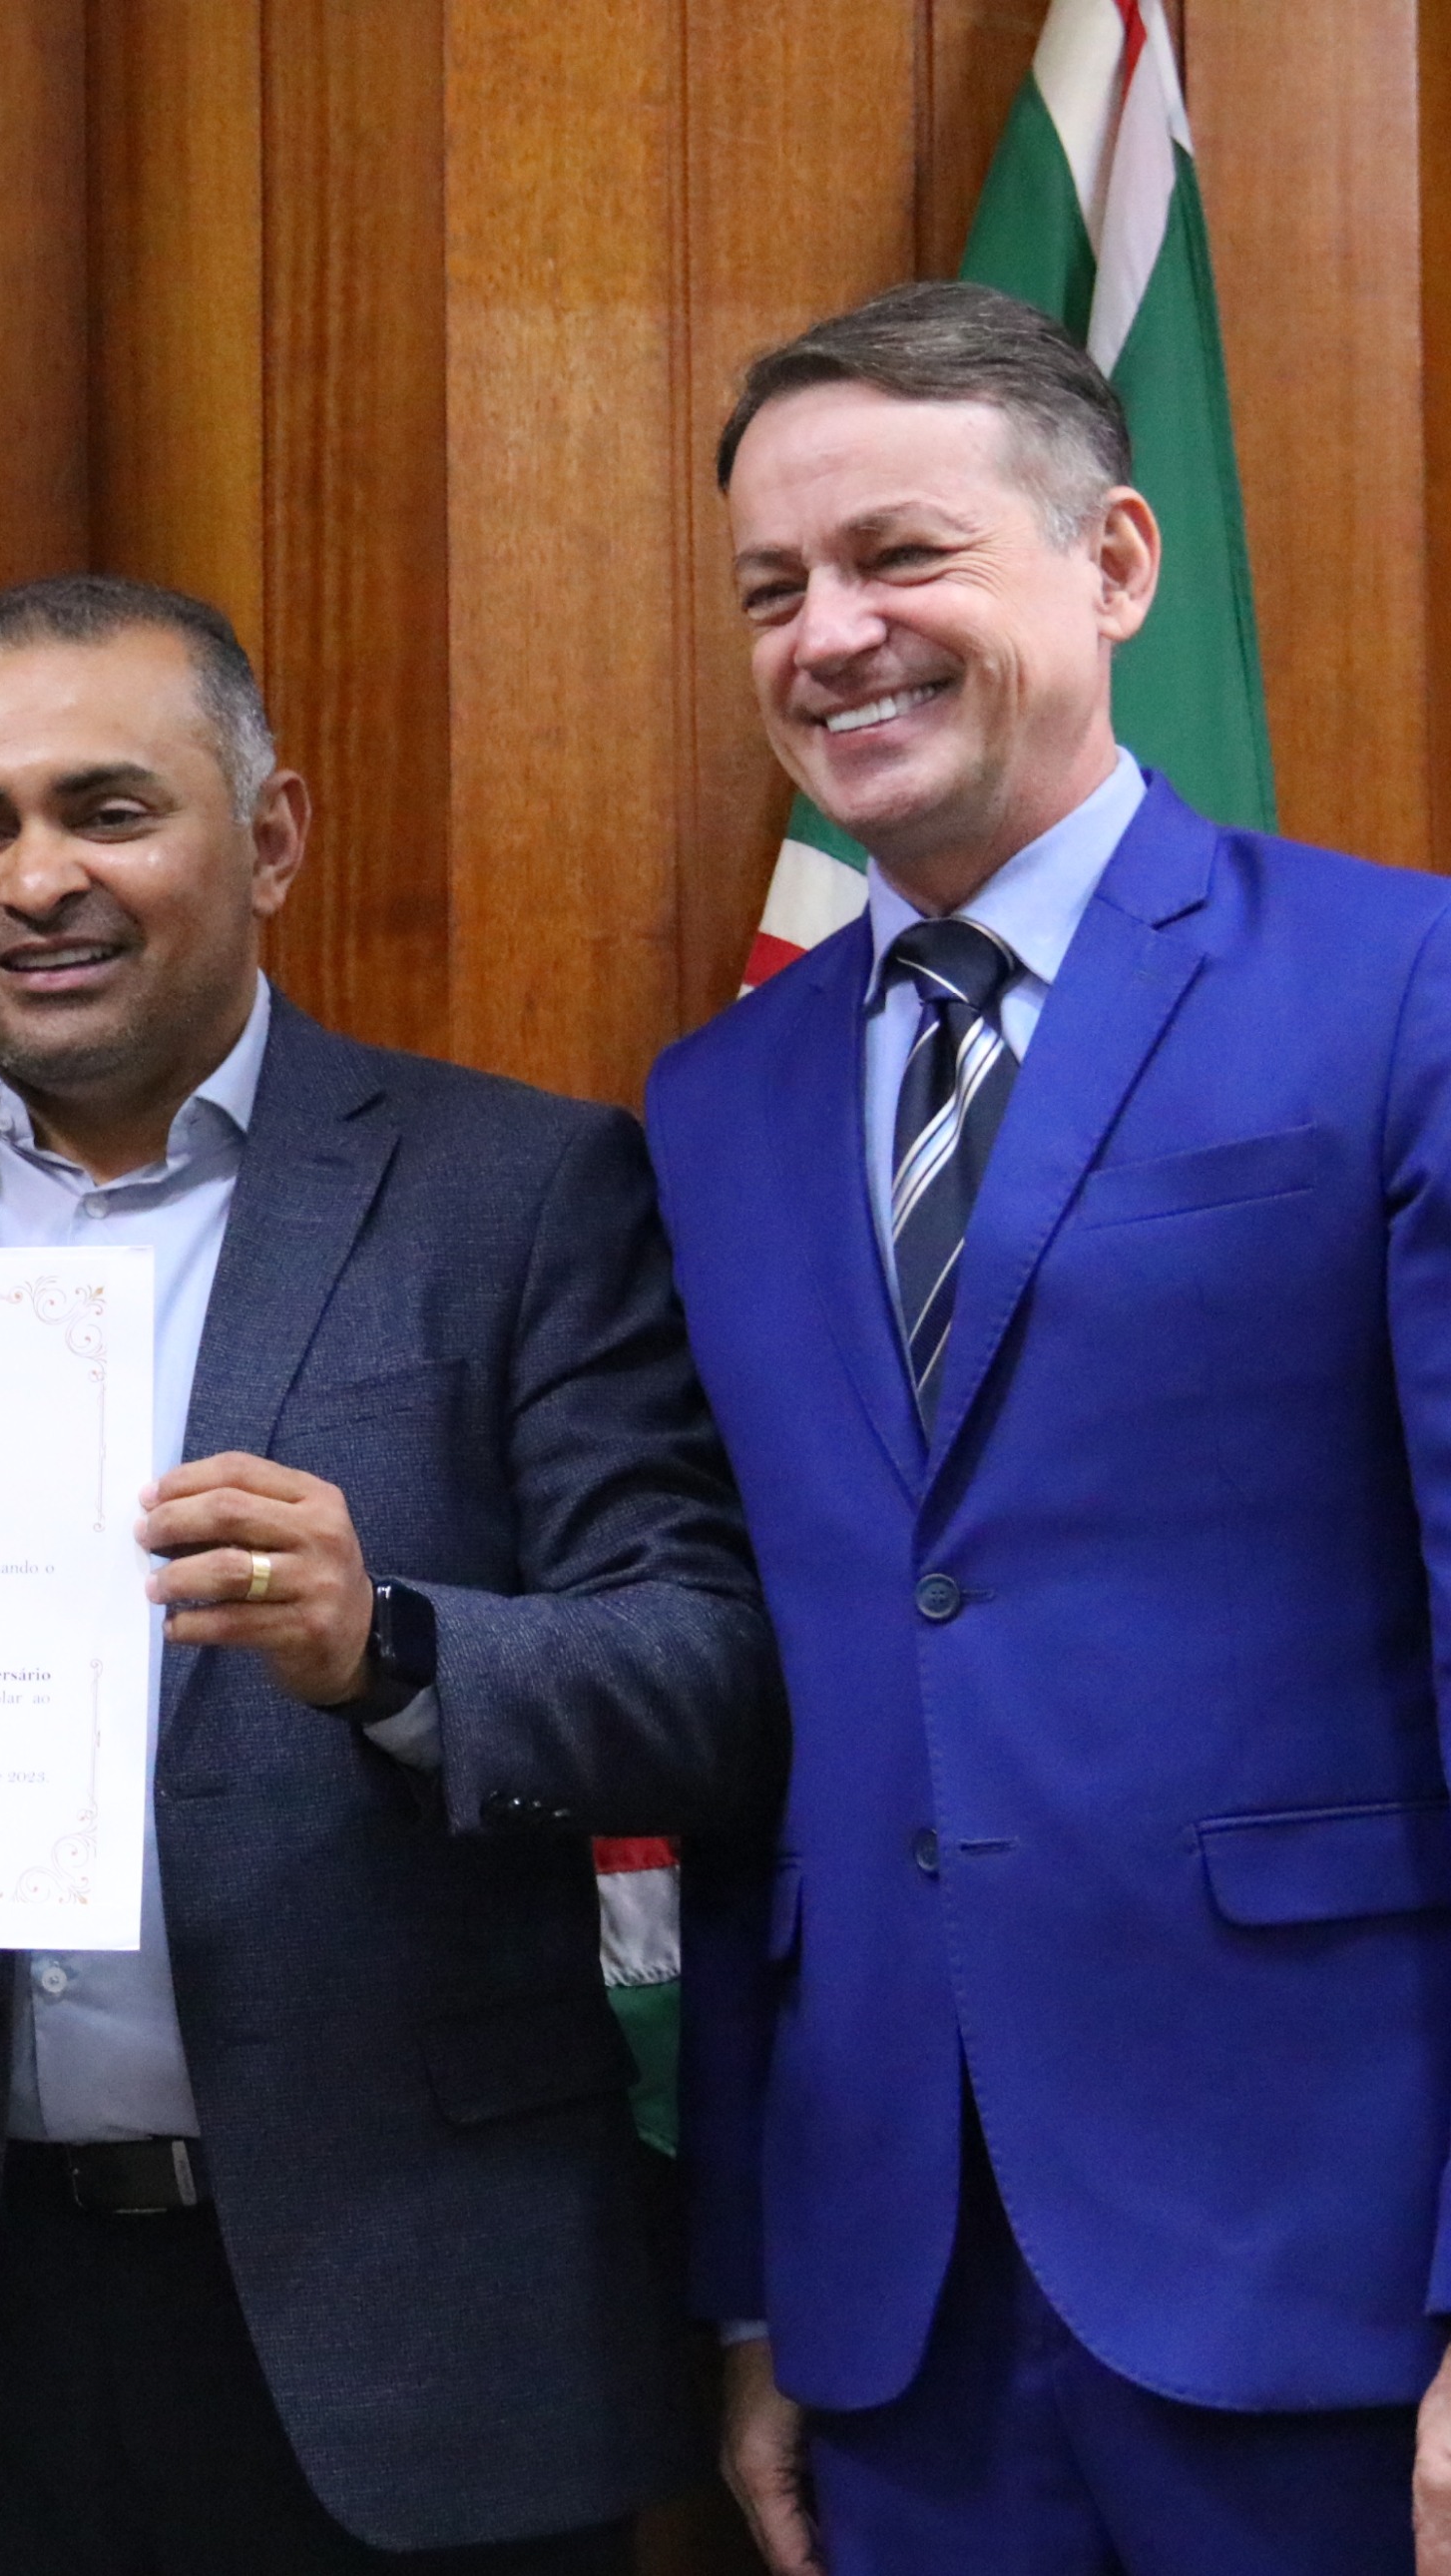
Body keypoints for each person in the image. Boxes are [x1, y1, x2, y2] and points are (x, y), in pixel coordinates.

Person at [0, 573, 780, 2572]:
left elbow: (703, 1680)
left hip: (418, 2339)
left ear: (269, 835)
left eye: (108, 810)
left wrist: (389, 1647)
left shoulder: (516, 1191)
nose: (34, 881)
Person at [653, 278, 1451, 2576]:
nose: (828, 636)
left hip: (1324, 2271)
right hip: (895, 2309)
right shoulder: (715, 1101)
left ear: (1110, 562)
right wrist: (755, 2283)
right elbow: (765, 1736)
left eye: (898, 555)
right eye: (770, 588)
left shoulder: (1397, 989)